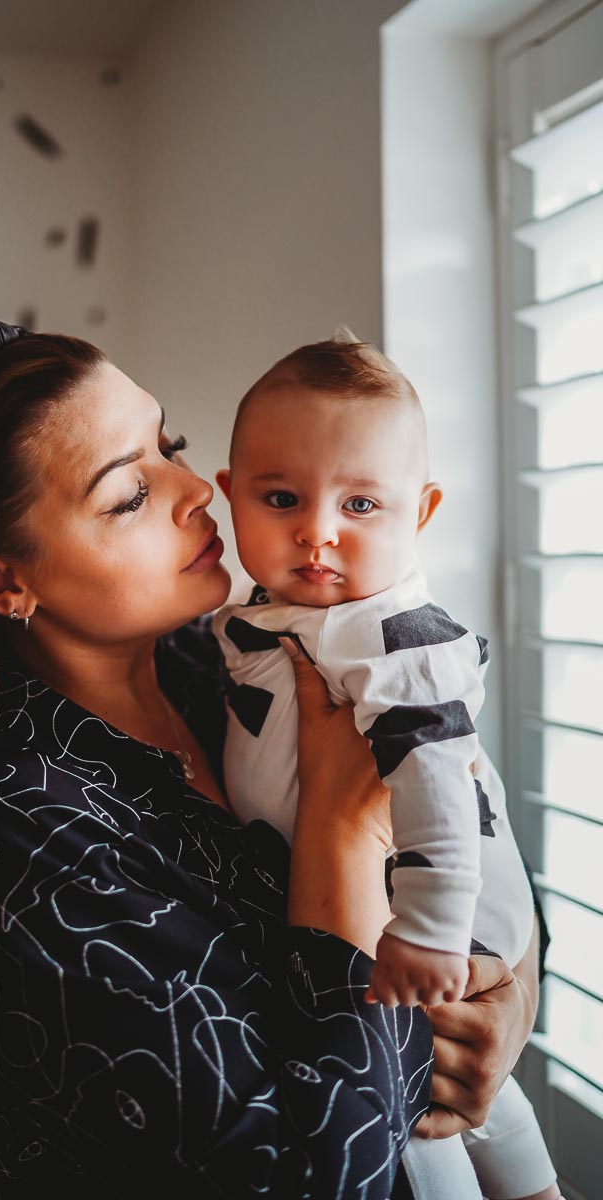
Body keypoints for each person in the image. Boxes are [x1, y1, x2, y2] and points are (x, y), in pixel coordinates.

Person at [0, 317, 543, 1200]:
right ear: (4, 582)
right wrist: (343, 836)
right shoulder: (5, 844)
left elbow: (477, 837)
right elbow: (299, 1179)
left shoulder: (224, 663)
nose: (196, 490)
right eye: (127, 495)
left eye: (170, 445)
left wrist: (509, 1004)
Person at [212, 330, 560, 1200]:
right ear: (232, 499)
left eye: (361, 506)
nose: (318, 533)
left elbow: (443, 783)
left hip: (431, 914)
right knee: (472, 1105)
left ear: (422, 512)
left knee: (416, 1119)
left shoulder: (393, 639)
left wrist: (434, 929)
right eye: (282, 497)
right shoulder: (274, 618)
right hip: (380, 915)